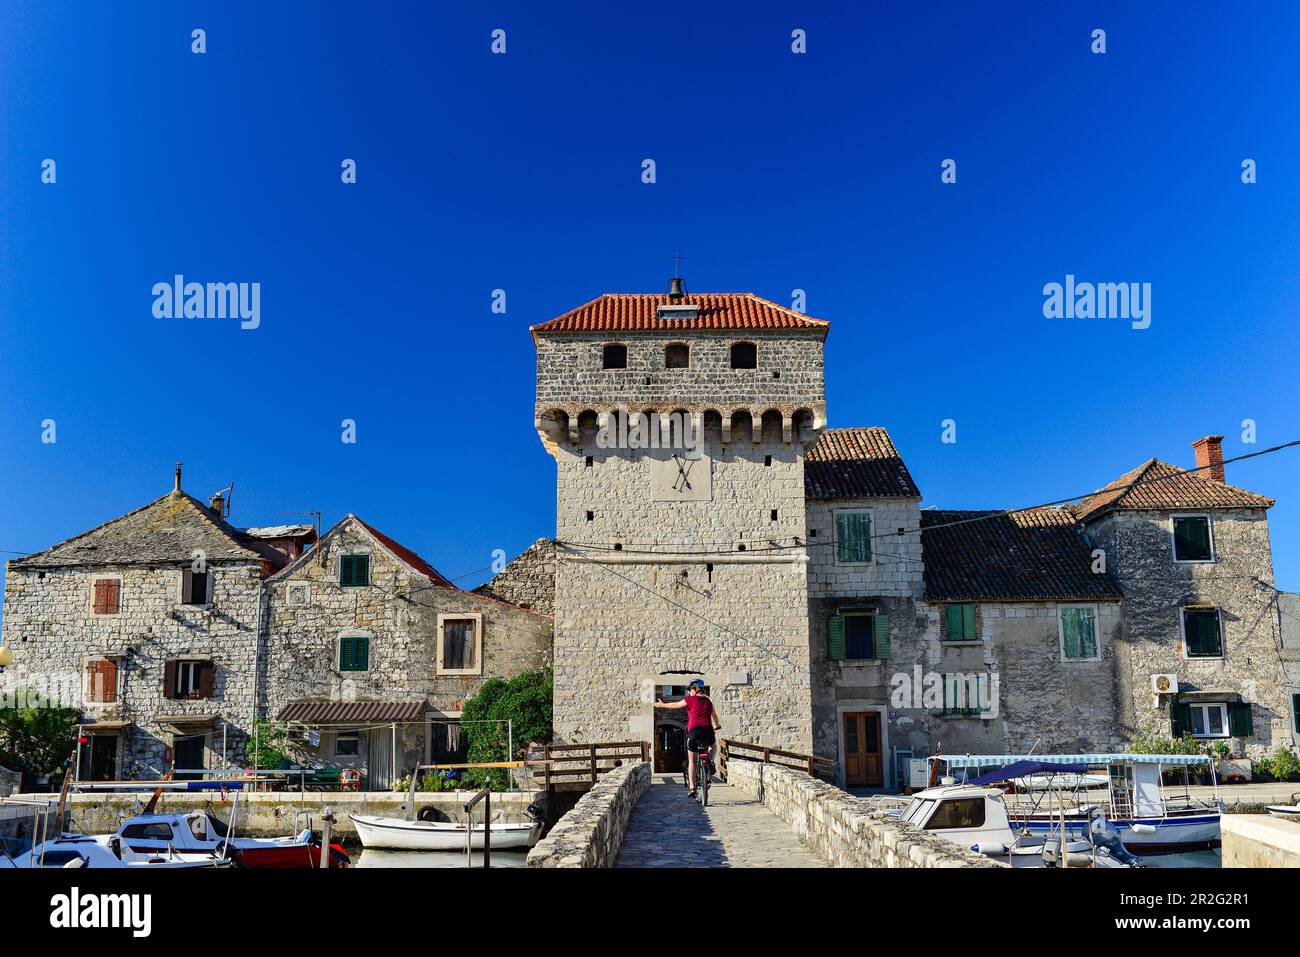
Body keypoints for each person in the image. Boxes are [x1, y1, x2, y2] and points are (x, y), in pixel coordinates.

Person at [655, 679, 721, 797]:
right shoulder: (708, 701)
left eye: (690, 690)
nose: (689, 692)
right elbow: (714, 715)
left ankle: (692, 788)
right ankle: (710, 761)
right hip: (708, 731)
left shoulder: (690, 699)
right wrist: (717, 726)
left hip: (694, 732)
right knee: (714, 746)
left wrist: (662, 705)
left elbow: (675, 705)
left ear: (695, 689)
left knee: (692, 761)